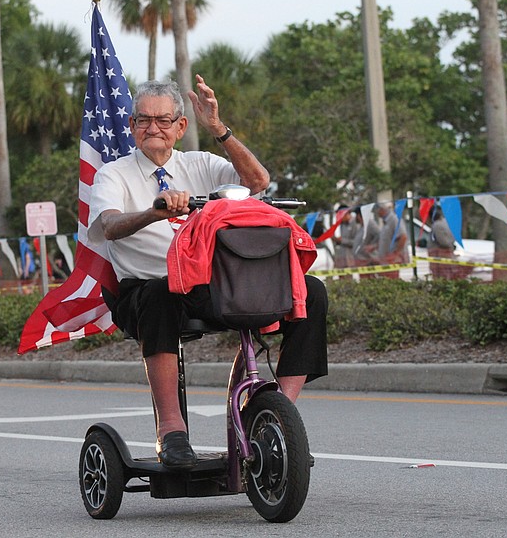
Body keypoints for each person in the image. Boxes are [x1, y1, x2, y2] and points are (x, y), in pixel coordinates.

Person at [88, 76, 329, 470]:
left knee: (311, 291)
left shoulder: (199, 163)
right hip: (145, 290)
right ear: (131, 126)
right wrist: (155, 211)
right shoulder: (113, 175)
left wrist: (219, 128)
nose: (154, 129)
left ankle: (279, 418)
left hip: (207, 284)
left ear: (180, 127)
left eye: (164, 121)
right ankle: (172, 430)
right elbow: (110, 225)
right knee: (159, 293)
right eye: (144, 120)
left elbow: (257, 182)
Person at [375, 201, 409, 279]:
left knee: (392, 280)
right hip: (385, 260)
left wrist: (395, 254)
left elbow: (403, 237)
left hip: (391, 261)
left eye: (378, 209)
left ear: (383, 209)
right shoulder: (386, 222)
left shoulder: (394, 219)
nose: (377, 212)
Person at [428, 206, 458, 279]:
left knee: (440, 277)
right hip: (448, 253)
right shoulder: (447, 222)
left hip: (440, 256)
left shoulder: (437, 225)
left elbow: (443, 241)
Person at [332, 206, 360, 270]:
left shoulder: (355, 224)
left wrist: (341, 240)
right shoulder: (340, 224)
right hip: (340, 258)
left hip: (350, 259)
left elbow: (356, 242)